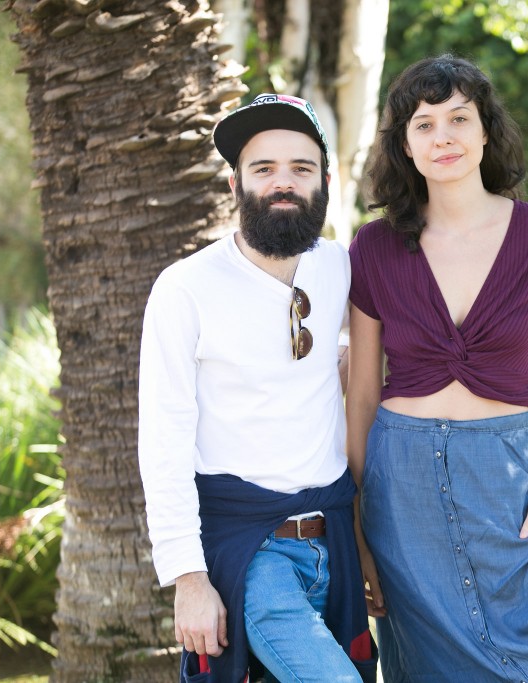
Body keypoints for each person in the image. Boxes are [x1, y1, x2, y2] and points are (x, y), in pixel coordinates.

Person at [345, 55, 528, 683]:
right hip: (402, 496)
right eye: (423, 124)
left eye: (458, 119)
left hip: (509, 488)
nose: (442, 136)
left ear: (484, 132)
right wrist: (361, 532)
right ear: (404, 144)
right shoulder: (373, 247)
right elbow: (362, 397)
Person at [138, 93, 375, 683]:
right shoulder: (185, 288)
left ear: (326, 178)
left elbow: (358, 362)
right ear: (235, 181)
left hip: (335, 542)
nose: (282, 183)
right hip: (250, 551)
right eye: (264, 168)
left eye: (300, 167)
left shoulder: (339, 267)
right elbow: (163, 442)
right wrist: (188, 579)